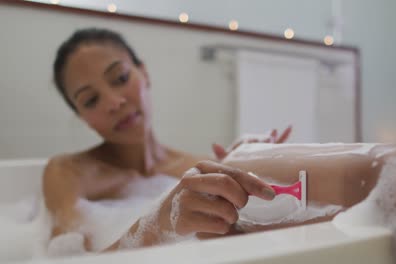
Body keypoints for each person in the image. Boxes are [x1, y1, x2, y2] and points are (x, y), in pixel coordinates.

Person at [44, 27, 291, 253]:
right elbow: (69, 259)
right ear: (82, 117)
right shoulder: (68, 173)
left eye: (120, 78)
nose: (114, 102)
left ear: (144, 73)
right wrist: (156, 227)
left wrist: (250, 165)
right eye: (90, 100)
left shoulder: (197, 168)